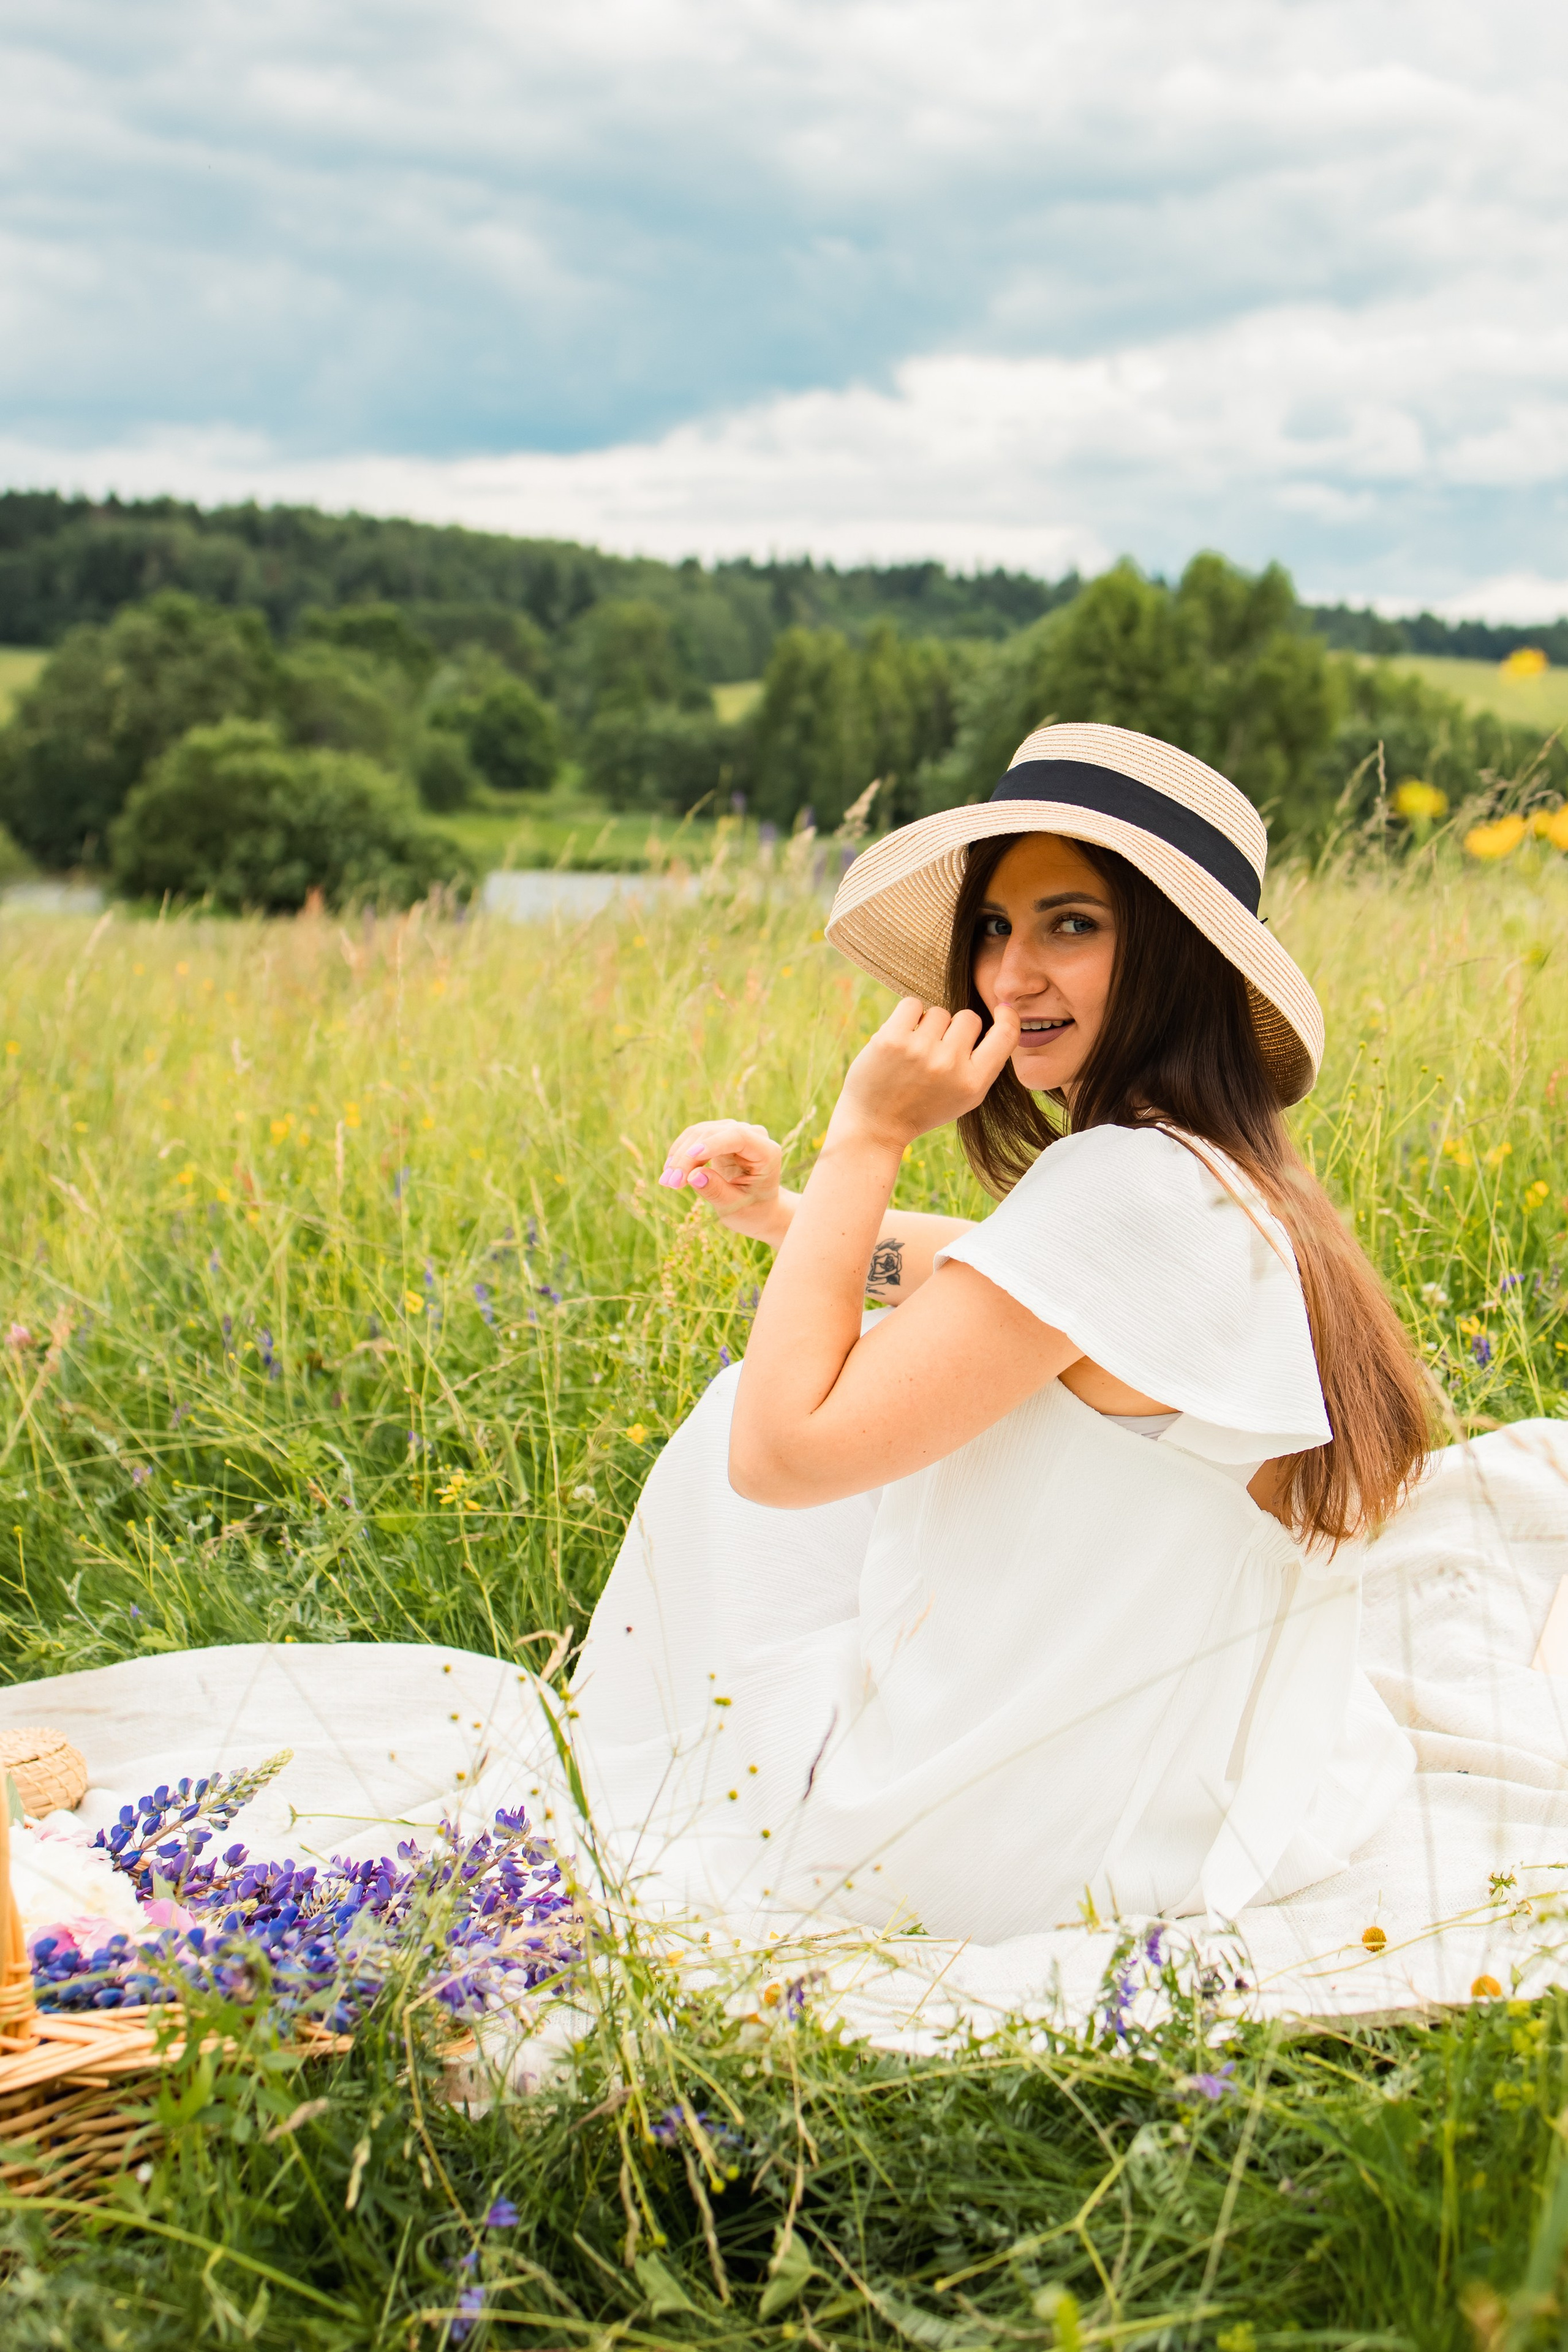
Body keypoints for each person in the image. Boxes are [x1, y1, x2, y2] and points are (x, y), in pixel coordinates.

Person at [564, 720, 1434, 1941]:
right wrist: (786, 1219)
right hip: (1191, 1793)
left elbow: (779, 1459)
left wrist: (865, 1136)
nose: (1009, 976)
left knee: (732, 1424)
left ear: (1174, 957)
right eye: (991, 928)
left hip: (1025, 1834)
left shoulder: (1118, 1190)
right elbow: (996, 1277)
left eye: (1069, 926)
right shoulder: (1219, 1175)